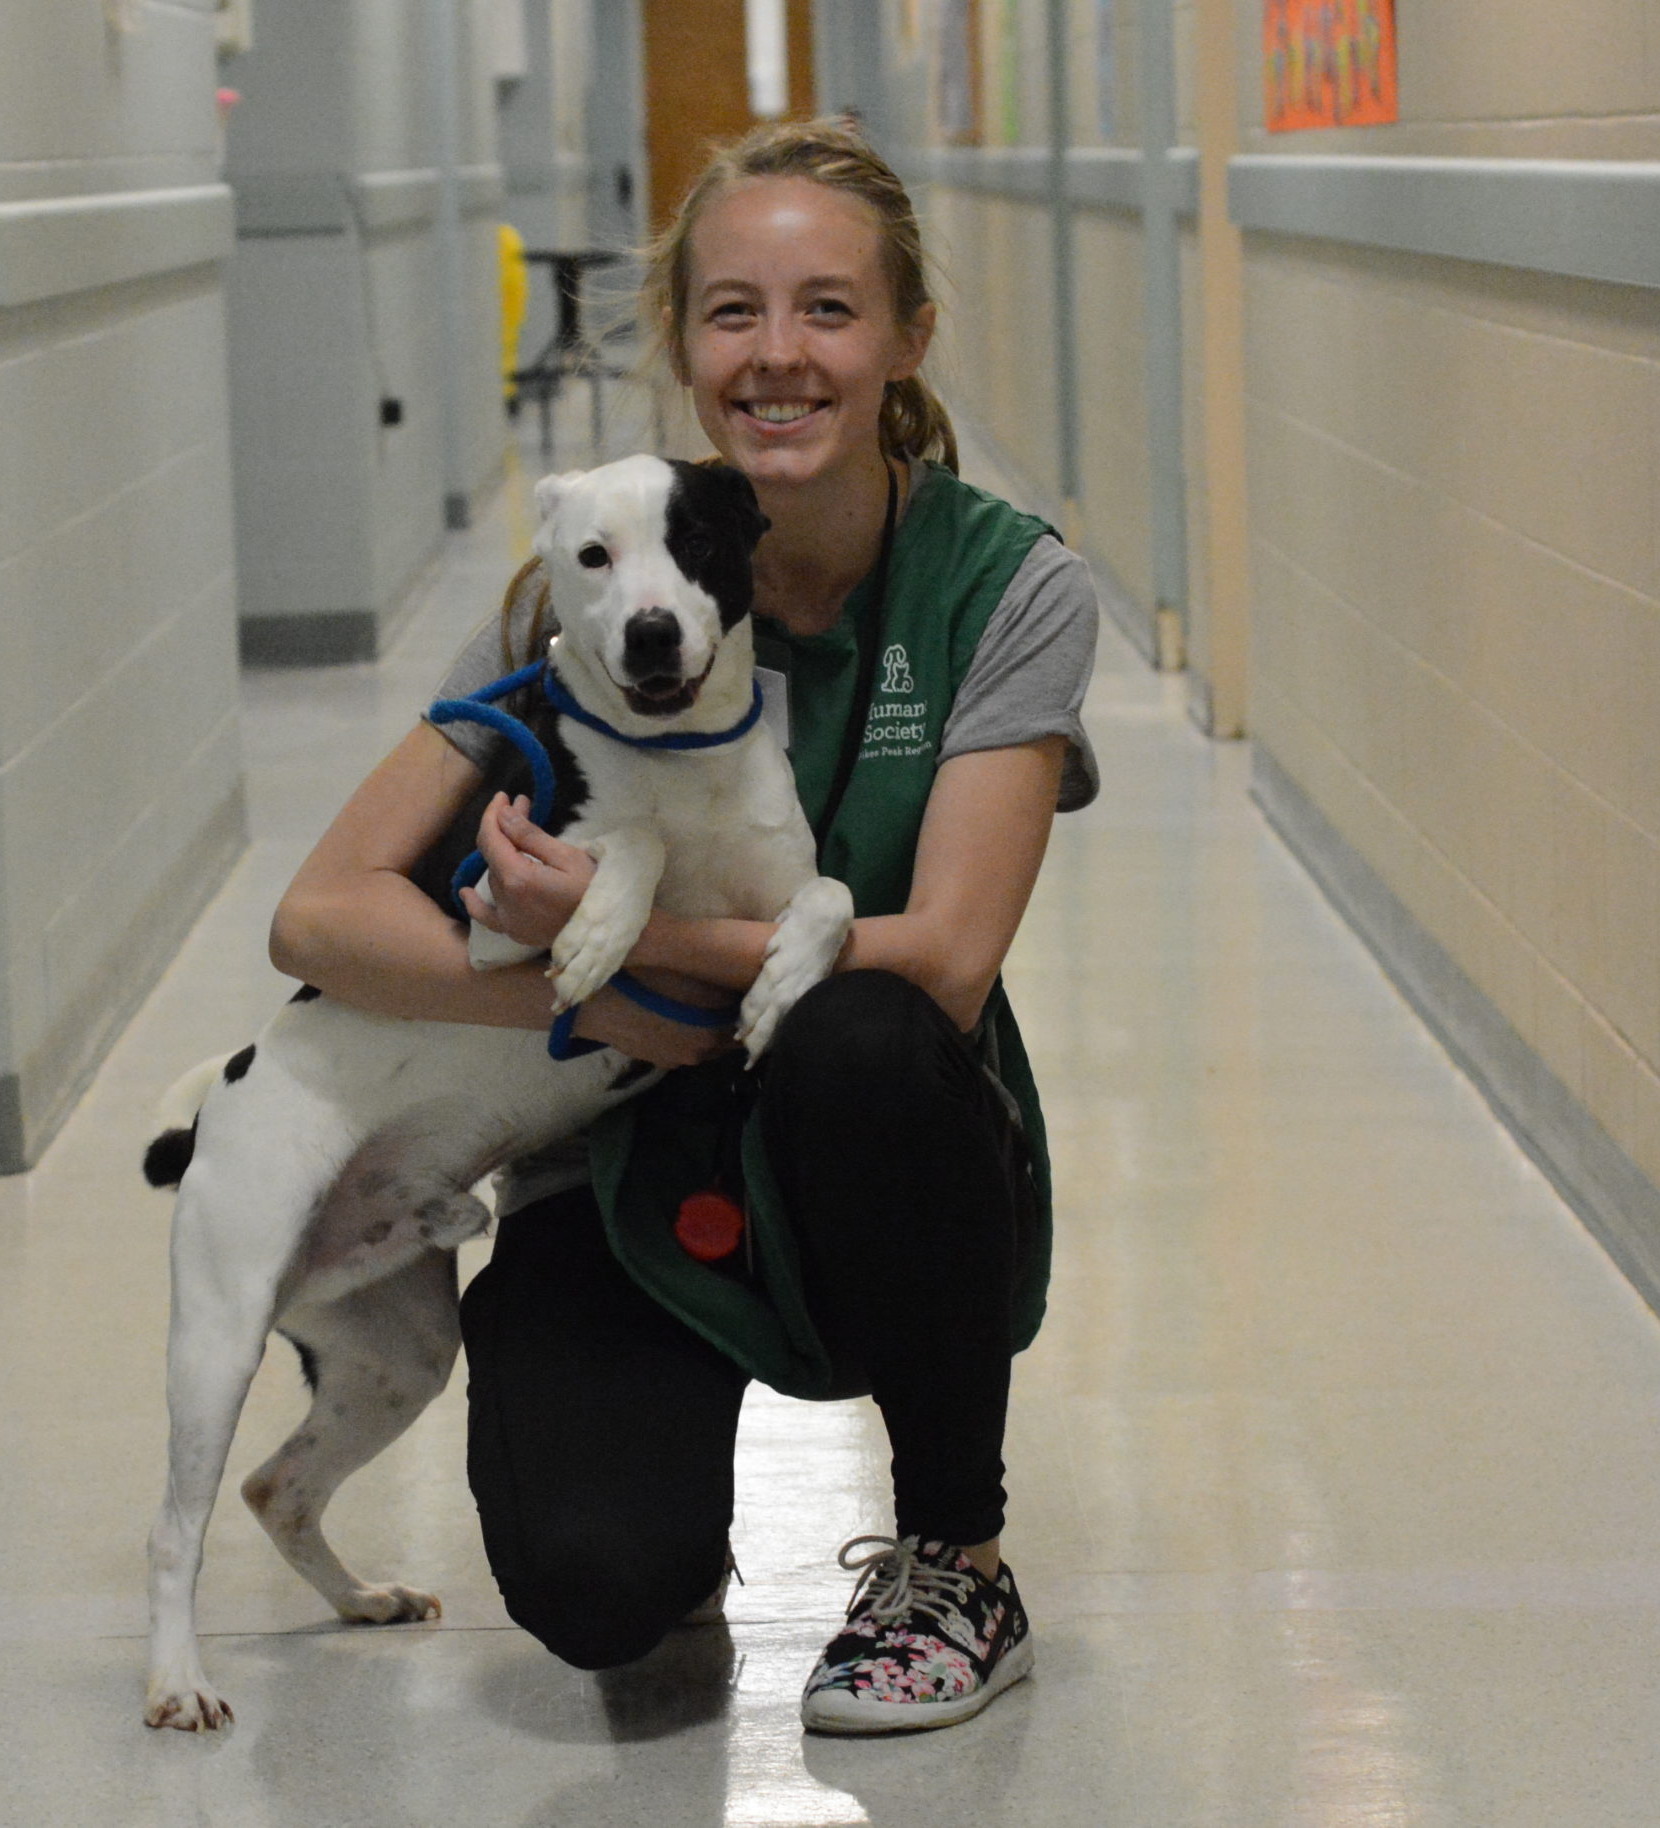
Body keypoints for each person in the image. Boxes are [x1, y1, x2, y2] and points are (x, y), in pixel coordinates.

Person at [269, 115, 1098, 1735]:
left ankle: (955, 1559)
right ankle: (660, 1514)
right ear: (684, 343)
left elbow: (944, 954)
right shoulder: (579, 589)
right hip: (626, 1146)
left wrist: (631, 940)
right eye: (734, 312)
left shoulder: (1004, 585)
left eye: (829, 310)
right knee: (593, 1589)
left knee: (861, 1017)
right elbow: (322, 917)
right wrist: (587, 1002)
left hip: (885, 1147)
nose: (778, 356)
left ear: (908, 338)